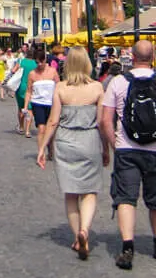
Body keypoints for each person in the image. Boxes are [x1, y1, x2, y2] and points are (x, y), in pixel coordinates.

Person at [100, 40, 156, 270]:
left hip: (126, 148)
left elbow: (106, 120)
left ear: (132, 57)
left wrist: (116, 145)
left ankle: (127, 247)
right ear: (153, 57)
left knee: (126, 197)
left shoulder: (118, 82)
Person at [36, 47, 108, 260]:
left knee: (71, 193)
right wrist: (106, 149)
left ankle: (77, 236)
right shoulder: (97, 88)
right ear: (87, 63)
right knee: (89, 192)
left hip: (66, 142)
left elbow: (53, 120)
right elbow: (103, 124)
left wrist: (42, 148)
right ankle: (85, 229)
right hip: (89, 141)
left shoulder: (60, 88)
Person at [24, 48, 60, 160]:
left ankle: (51, 149)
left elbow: (59, 87)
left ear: (45, 60)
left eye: (41, 61)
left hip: (51, 103)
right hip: (37, 103)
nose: (39, 64)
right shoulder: (32, 74)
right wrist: (25, 106)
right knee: (41, 129)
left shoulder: (53, 71)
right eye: (37, 62)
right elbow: (29, 91)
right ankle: (41, 152)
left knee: (52, 129)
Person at [14, 48, 38, 137]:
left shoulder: (21, 61)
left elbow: (13, 71)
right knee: (30, 109)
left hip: (21, 86)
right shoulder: (36, 63)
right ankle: (28, 130)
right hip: (32, 86)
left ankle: (21, 127)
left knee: (21, 107)